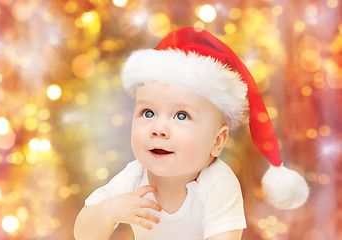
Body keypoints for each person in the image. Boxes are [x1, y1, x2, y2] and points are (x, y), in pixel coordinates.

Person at [74, 27, 309, 240]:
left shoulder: (218, 184)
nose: (158, 129)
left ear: (217, 142)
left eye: (181, 115)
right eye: (148, 113)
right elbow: (83, 235)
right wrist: (108, 212)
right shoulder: (134, 176)